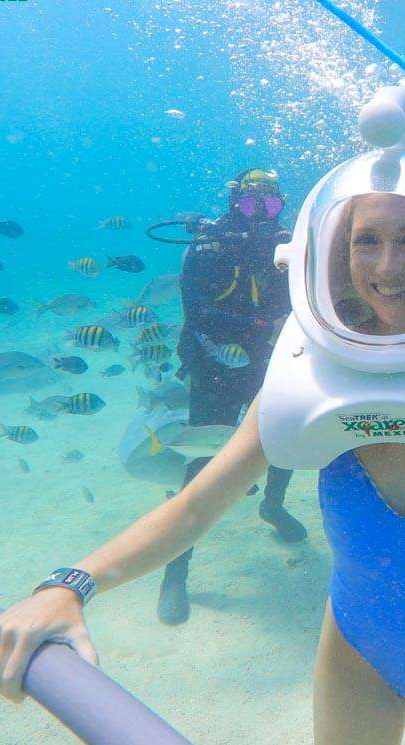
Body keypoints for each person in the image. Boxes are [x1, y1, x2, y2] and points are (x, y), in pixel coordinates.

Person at [0, 87, 405, 745]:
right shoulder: (308, 378)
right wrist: (70, 585)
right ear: (336, 259)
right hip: (355, 658)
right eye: (366, 241)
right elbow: (192, 510)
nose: (387, 265)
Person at [158, 167, 307, 626]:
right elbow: (194, 309)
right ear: (233, 203)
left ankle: (272, 506)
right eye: (249, 202)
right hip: (216, 365)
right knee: (202, 461)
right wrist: (247, 335)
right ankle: (174, 570)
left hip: (274, 362)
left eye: (269, 202)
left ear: (281, 204)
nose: (259, 211)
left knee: (285, 441)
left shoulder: (292, 243)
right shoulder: (209, 245)